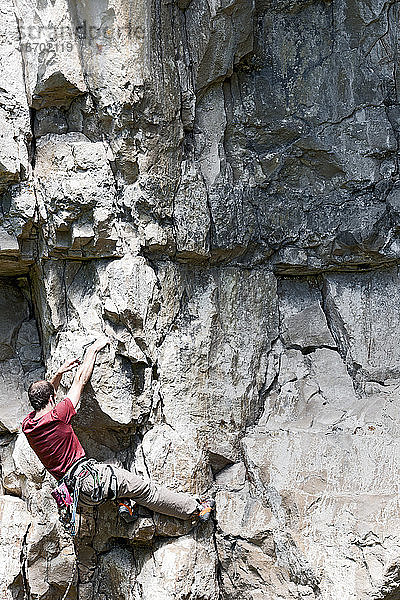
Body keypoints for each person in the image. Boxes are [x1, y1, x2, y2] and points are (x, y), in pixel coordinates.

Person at [22, 338, 215, 525]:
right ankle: (196, 508)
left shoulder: (28, 426)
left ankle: (125, 504)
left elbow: (45, 397)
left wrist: (57, 375)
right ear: (52, 399)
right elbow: (80, 381)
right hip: (92, 482)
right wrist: (93, 351)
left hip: (76, 495)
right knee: (146, 491)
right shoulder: (58, 415)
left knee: (112, 466)